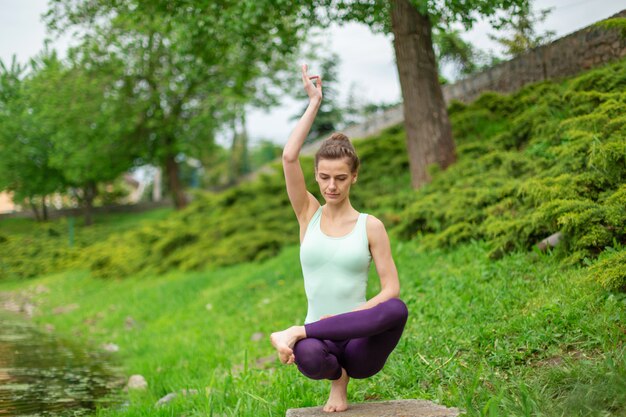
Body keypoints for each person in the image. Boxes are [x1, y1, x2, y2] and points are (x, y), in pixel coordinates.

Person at [270, 64, 409, 413]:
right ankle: (331, 378)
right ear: (316, 177)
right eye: (324, 177)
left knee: (397, 308)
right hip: (320, 344)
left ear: (354, 177)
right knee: (309, 358)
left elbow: (390, 289)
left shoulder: (370, 225)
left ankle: (297, 330)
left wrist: (349, 317)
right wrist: (313, 103)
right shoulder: (308, 214)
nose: (332, 186)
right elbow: (288, 157)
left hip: (359, 339)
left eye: (341, 178)